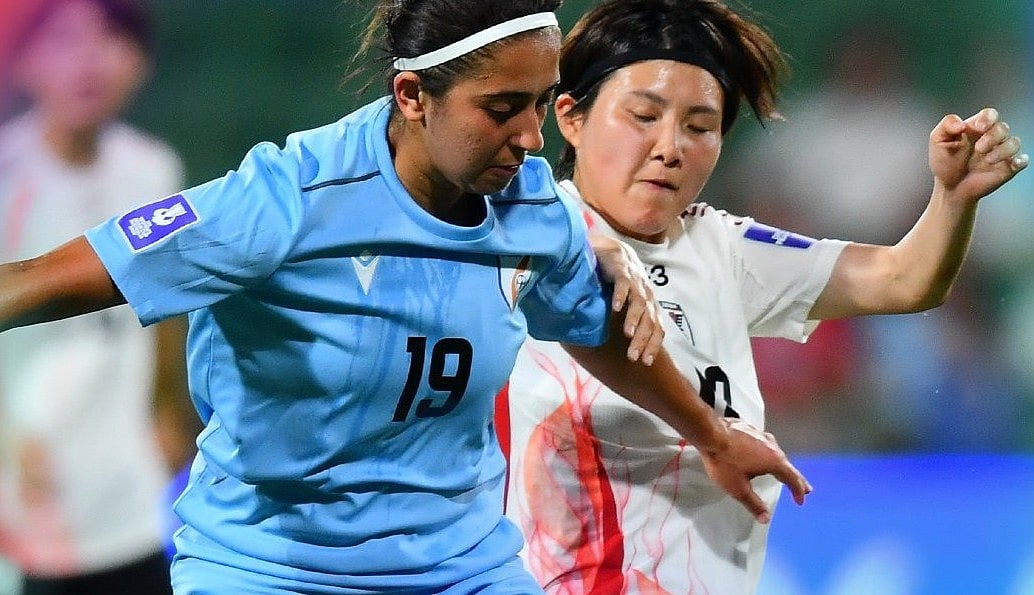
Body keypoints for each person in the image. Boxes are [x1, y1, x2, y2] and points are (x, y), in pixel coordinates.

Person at [0, 0, 813, 592]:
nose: (533, 138)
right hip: (273, 567)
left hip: (462, 567)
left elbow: (589, 327)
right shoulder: (283, 202)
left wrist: (710, 433)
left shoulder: (532, 206)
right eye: (502, 109)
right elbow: (36, 281)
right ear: (413, 97)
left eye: (538, 104)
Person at [497, 0, 1029, 593]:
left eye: (700, 127)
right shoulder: (520, 242)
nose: (670, 147)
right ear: (570, 117)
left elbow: (906, 280)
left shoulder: (720, 246)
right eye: (643, 116)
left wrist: (953, 199)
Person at [0, 1, 198, 594]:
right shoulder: (6, 175)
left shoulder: (152, 167)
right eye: (62, 40)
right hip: (31, 492)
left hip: (131, 487)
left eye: (110, 37)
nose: (89, 61)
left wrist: (168, 417)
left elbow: (168, 305)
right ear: (23, 60)